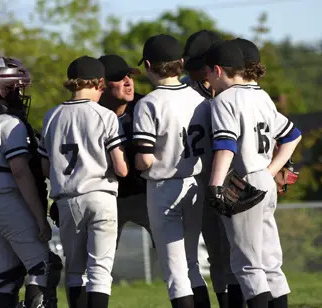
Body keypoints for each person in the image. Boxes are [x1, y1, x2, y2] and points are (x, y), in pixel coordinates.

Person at [205, 41, 302, 308]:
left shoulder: (224, 100)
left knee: (247, 265)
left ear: (217, 70)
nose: (208, 79)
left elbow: (226, 146)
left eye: (208, 73)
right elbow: (293, 135)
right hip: (264, 181)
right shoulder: (260, 95)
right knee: (271, 262)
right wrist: (271, 171)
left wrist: (214, 186)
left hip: (243, 183)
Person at [0, 57, 62, 308]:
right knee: (43, 267)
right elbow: (20, 173)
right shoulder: (10, 124)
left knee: (4, 276)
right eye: (18, 88)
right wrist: (40, 217)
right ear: (5, 89)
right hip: (7, 201)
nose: (21, 94)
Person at [39, 56, 128, 308]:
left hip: (67, 199)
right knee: (100, 270)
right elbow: (121, 169)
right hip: (100, 194)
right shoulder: (105, 115)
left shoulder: (52, 115)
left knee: (75, 270)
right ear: (100, 83)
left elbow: (46, 167)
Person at [133, 34, 212, 308]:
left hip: (164, 187)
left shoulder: (149, 103)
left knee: (175, 271)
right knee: (191, 263)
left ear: (147, 64)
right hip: (196, 183)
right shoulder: (200, 99)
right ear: (180, 62)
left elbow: (144, 160)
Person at [183, 30, 243, 308]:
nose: (198, 75)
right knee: (218, 252)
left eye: (201, 68)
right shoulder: (185, 90)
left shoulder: (235, 86)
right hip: (203, 177)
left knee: (242, 250)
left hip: (239, 177)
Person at [98, 54, 154, 247]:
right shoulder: (89, 114)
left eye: (129, 76)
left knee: (171, 255)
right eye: (120, 77)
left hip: (146, 194)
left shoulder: (145, 106)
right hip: (108, 197)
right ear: (101, 85)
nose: (128, 82)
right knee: (101, 259)